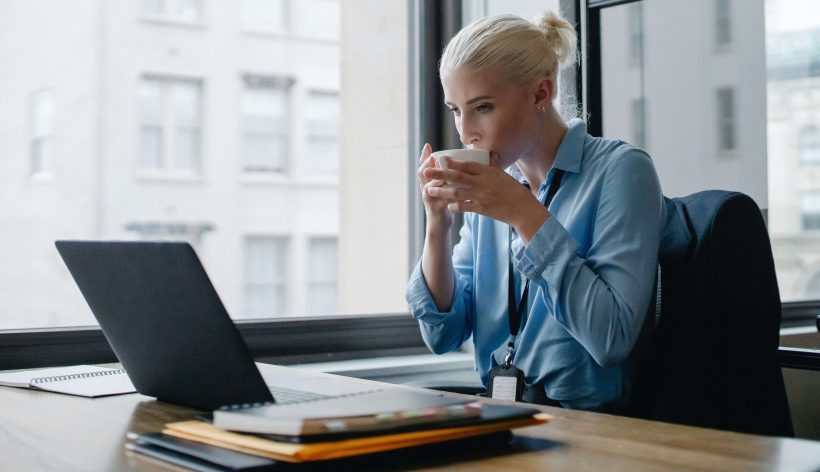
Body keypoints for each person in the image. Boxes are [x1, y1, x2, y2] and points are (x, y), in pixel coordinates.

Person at [405, 11, 664, 411]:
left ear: (541, 94)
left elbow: (611, 339)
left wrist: (524, 214)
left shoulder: (622, 170)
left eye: (483, 107)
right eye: (456, 109)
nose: (465, 131)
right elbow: (443, 335)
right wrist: (438, 224)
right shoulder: (491, 188)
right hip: (505, 416)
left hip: (594, 428)